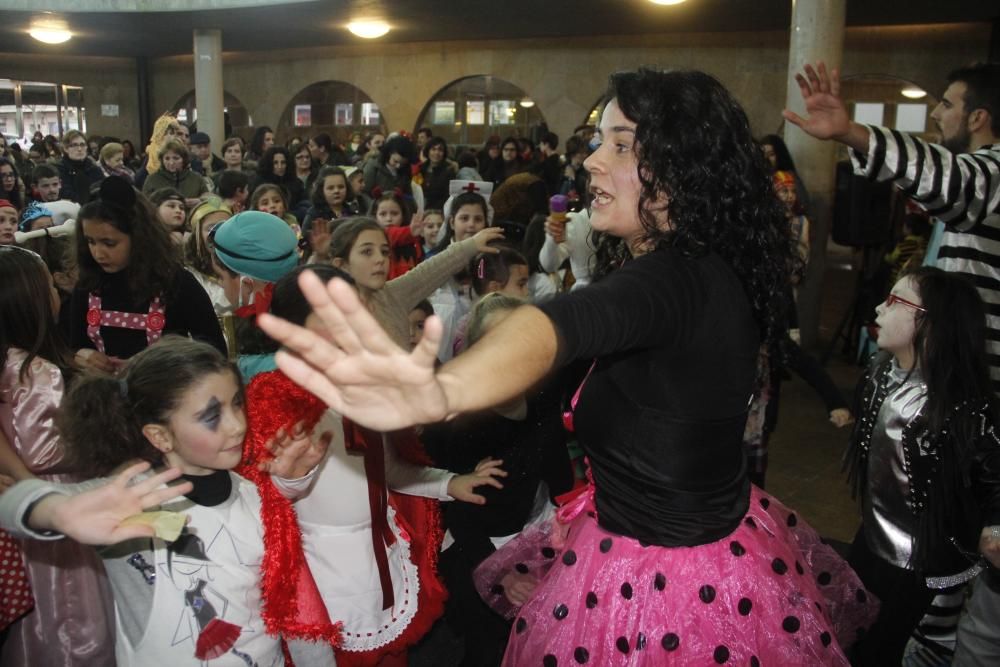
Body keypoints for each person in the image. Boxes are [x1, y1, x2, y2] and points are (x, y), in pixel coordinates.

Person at [260, 68, 877, 665]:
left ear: (681, 169)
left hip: (671, 588)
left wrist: (436, 390)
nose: (590, 160)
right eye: (597, 140)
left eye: (621, 144)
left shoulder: (675, 276)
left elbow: (556, 326)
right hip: (663, 537)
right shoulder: (698, 264)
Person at [785, 60, 1000, 664]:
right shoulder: (893, 380)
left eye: (948, 105)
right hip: (937, 394)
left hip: (969, 408)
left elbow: (953, 181)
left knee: (941, 602)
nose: (938, 114)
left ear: (979, 117)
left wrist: (856, 134)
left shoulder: (990, 175)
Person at [0, 336, 339, 665]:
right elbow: (11, 504)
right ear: (159, 435)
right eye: (211, 416)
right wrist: (58, 511)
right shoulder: (132, 504)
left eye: (237, 403)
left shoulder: (254, 497)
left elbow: (295, 606)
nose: (237, 425)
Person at [244, 264, 506, 666]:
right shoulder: (274, 397)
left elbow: (391, 471)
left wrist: (449, 484)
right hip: (322, 575)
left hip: (381, 563)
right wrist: (293, 476)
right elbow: (265, 500)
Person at [844, 267, 1000, 666]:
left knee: (889, 648)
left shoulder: (964, 410)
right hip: (873, 539)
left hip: (922, 567)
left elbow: (994, 473)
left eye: (895, 300)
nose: (879, 308)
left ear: (933, 323)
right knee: (848, 630)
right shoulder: (880, 377)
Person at [423, 293, 575, 666]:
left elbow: (555, 471)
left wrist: (567, 520)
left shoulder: (542, 391)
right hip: (477, 549)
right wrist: (500, 575)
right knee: (489, 650)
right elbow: (456, 511)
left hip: (536, 534)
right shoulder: (456, 420)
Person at [0, 245, 116, 666]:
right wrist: (97, 440)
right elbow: (42, 448)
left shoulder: (8, 363)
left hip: (20, 502)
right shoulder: (37, 370)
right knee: (70, 608)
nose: (57, 293)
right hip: (51, 497)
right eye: (50, 285)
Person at [68, 176, 226, 373]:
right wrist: (83, 356)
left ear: (139, 238)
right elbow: (72, 346)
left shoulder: (177, 284)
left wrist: (158, 365)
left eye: (109, 243)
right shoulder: (87, 286)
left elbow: (214, 354)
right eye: (91, 242)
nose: (98, 253)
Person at [57, 130, 105, 204]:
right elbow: (64, 192)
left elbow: (103, 190)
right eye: (74, 145)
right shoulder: (59, 169)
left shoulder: (94, 168)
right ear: (66, 149)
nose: (79, 149)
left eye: (82, 145)